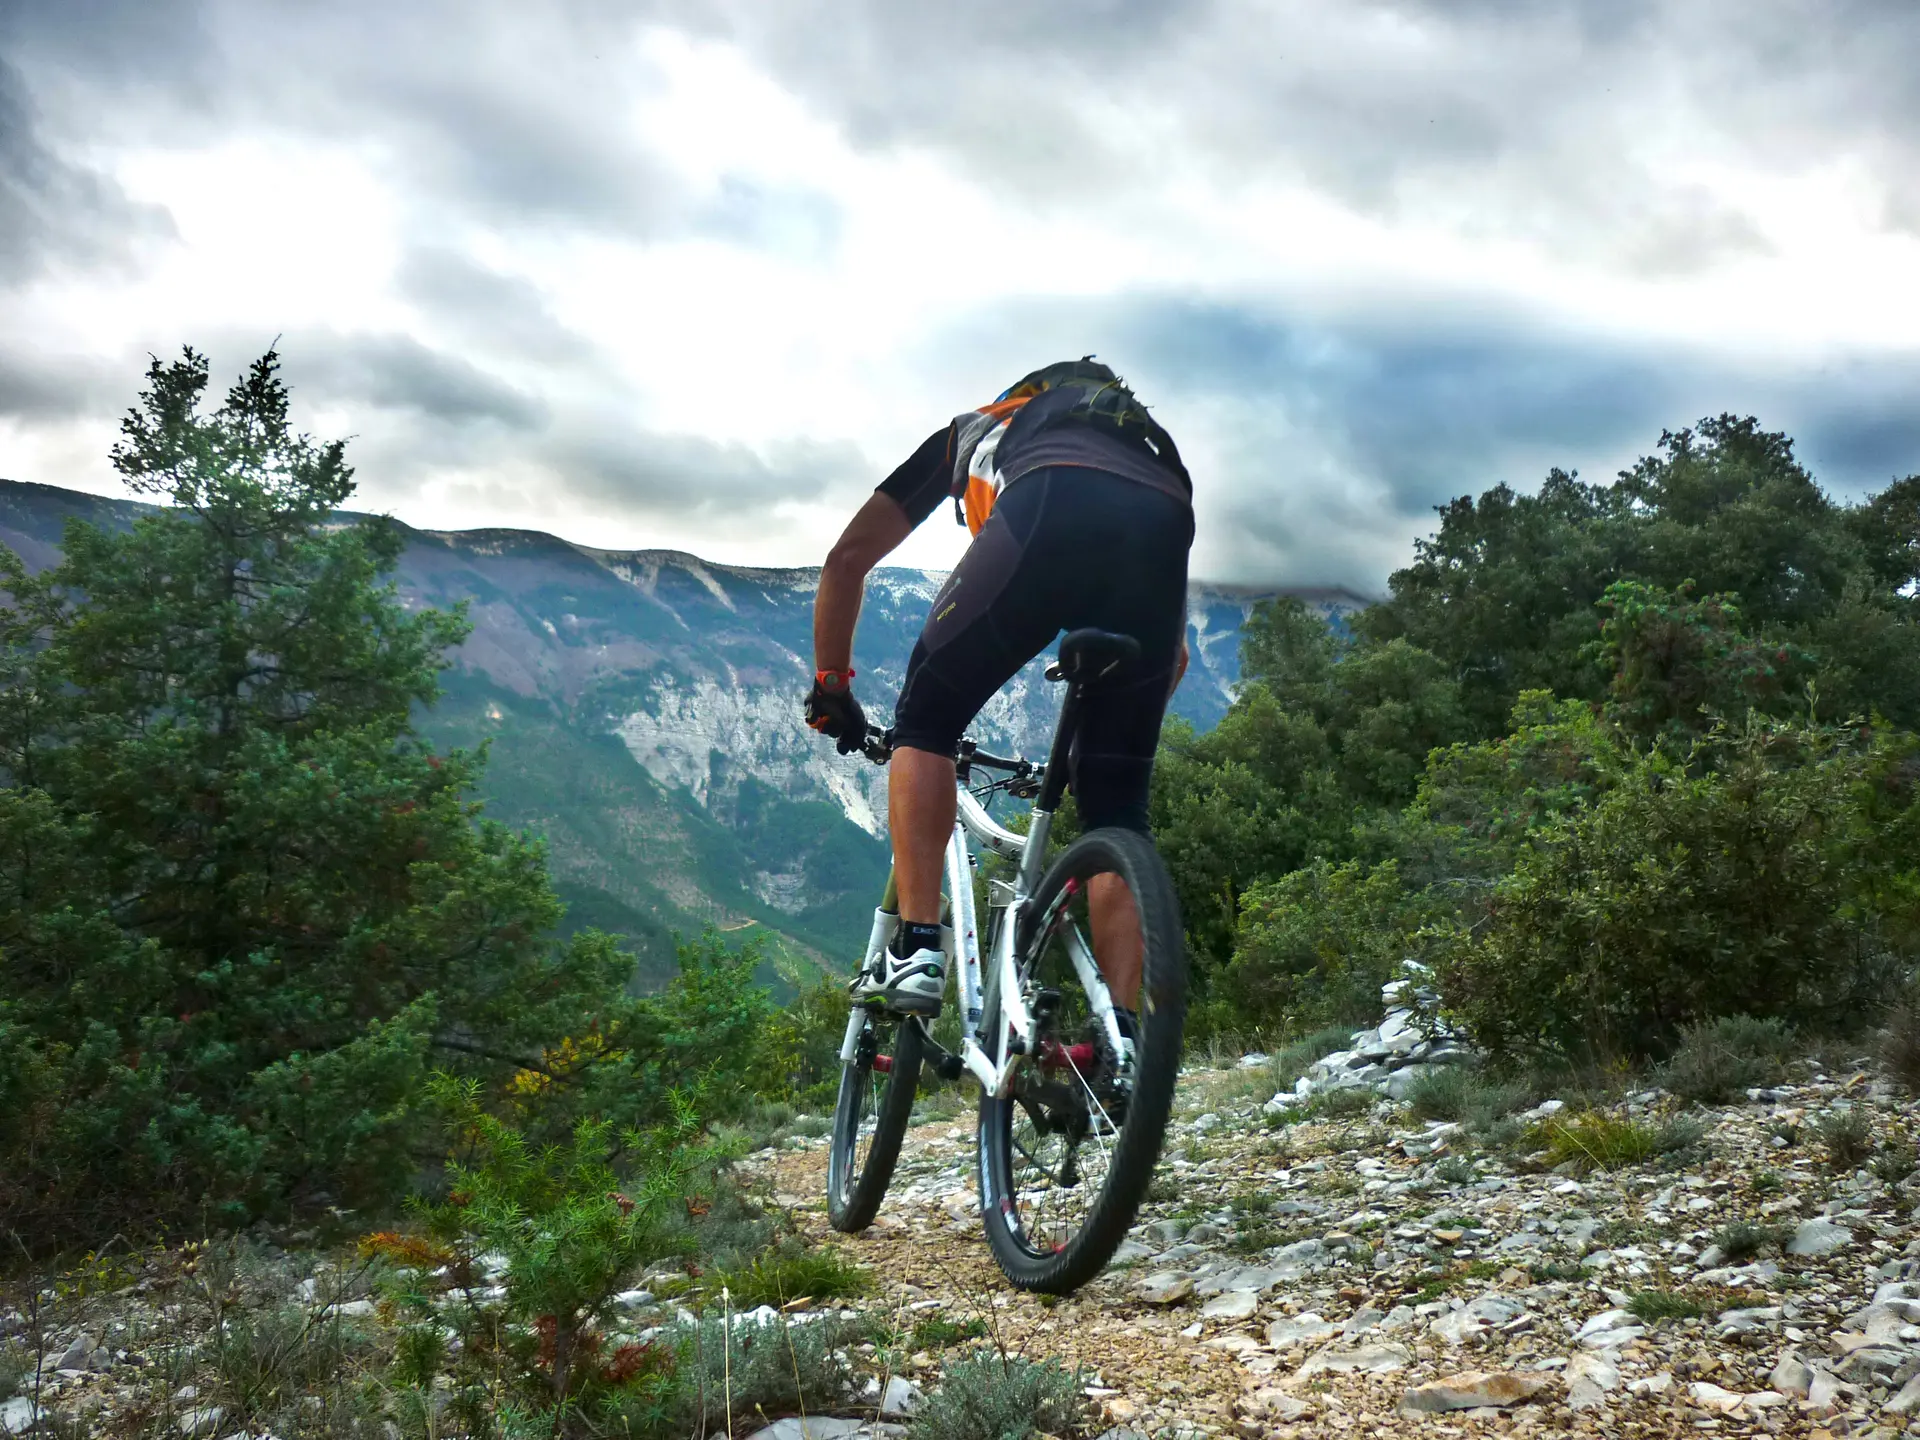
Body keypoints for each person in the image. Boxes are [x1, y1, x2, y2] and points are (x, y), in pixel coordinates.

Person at [805, 359, 1193, 1019]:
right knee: (1117, 813)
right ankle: (1120, 1040)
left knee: (927, 719)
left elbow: (846, 561)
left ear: (1026, 394)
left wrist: (832, 686)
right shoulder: (1142, 440)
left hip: (1048, 502)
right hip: (1166, 519)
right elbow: (1175, 657)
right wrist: (1101, 745)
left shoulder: (983, 427)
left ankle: (917, 949)